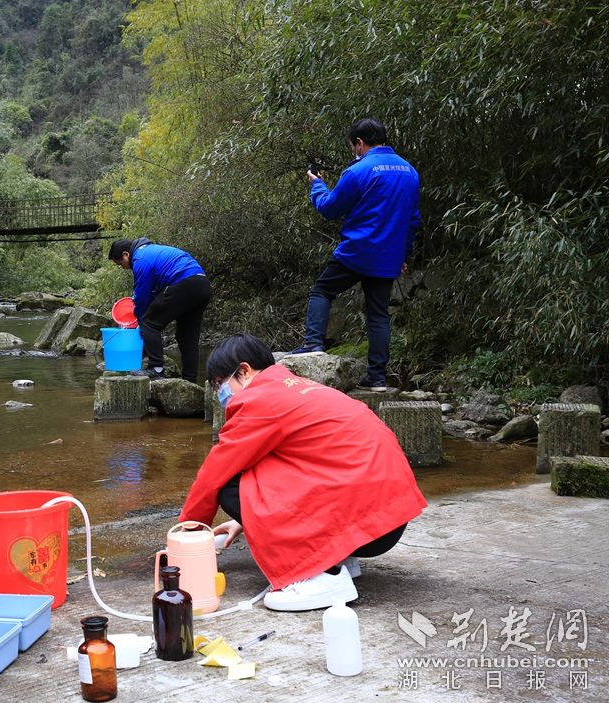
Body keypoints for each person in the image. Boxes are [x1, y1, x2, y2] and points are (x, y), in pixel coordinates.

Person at [179, 333, 426, 611]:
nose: (220, 394)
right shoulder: (300, 388)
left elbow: (216, 472)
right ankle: (335, 557)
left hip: (370, 518)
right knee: (256, 469)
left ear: (245, 372)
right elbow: (302, 466)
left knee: (230, 485)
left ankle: (325, 577)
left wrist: (188, 533)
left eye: (219, 384)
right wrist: (245, 520)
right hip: (387, 516)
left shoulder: (260, 399)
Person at [290, 118, 422, 392]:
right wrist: (403, 255)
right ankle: (377, 379)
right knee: (378, 315)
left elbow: (329, 208)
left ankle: (313, 345)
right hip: (388, 257)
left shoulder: (358, 171)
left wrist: (316, 185)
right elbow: (413, 221)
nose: (354, 151)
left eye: (353, 147)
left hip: (357, 252)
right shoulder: (410, 172)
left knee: (321, 291)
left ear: (360, 143)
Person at [108, 237, 212, 382]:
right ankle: (190, 380)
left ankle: (156, 368)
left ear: (126, 254)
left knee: (149, 322)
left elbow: (142, 298)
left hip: (184, 283)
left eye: (120, 263)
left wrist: (139, 320)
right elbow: (155, 292)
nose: (123, 267)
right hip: (202, 285)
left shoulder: (140, 258)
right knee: (187, 338)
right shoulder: (151, 250)